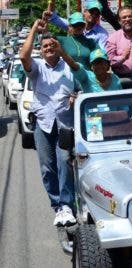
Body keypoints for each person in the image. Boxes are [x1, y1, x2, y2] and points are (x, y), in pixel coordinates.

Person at [20, 19, 77, 227]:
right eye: (45, 46)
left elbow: (81, 82)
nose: (49, 48)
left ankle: (67, 204)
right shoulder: (36, 67)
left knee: (64, 162)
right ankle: (57, 206)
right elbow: (23, 56)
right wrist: (34, 28)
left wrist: (76, 94)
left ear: (58, 47)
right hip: (43, 122)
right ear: (41, 51)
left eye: (52, 45)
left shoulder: (68, 66)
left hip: (65, 123)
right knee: (47, 168)